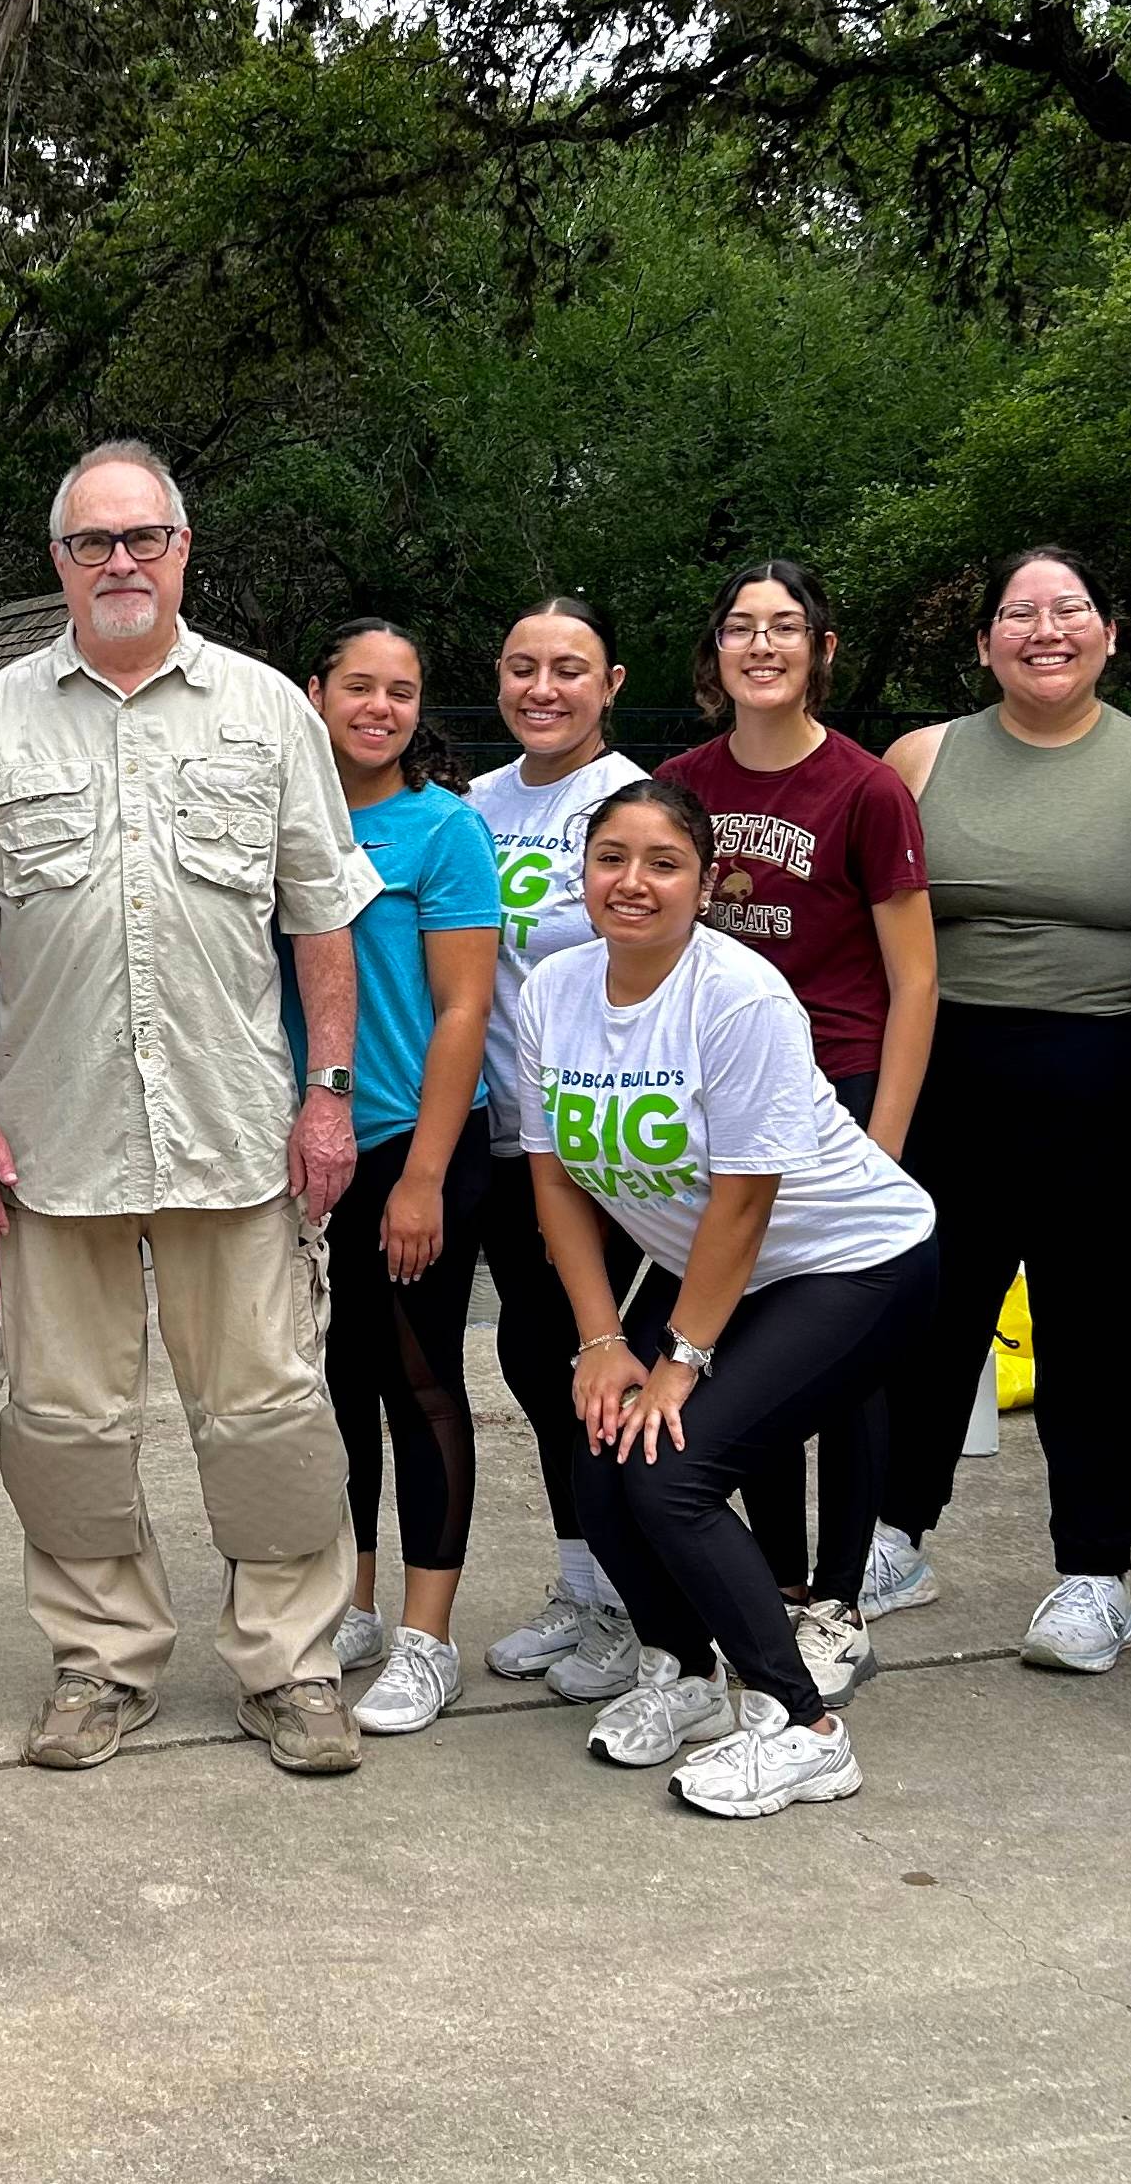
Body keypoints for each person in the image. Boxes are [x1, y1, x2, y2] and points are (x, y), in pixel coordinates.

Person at [0, 439, 382, 1777]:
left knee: (270, 1416)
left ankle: (290, 1668)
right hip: (52, 1138)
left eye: (141, 538)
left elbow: (321, 925)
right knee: (64, 1423)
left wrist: (329, 1098)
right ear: (57, 562)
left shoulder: (263, 712)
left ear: (183, 548)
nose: (118, 561)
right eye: (90, 542)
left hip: (236, 1132)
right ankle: (99, 1663)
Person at [525, 777, 940, 1818]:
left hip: (853, 1261)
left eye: (663, 863)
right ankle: (690, 1675)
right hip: (720, 1265)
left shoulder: (740, 994)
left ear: (705, 884)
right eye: (611, 857)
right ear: (582, 875)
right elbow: (555, 1177)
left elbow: (747, 1200)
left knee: (673, 1469)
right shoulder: (552, 991)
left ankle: (803, 1725)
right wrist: (599, 1341)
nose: (633, 881)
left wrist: (681, 1360)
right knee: (603, 1454)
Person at [873, 548, 1131, 1674]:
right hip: (949, 1075)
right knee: (926, 1320)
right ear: (984, 642)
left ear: (1109, 635)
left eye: (1070, 608)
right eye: (1019, 613)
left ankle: (1095, 1574)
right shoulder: (921, 758)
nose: (1046, 628)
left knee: (1096, 1337)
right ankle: (894, 1535)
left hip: (1110, 1083)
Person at [655, 559, 934, 1708]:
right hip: (724, 1094)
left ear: (823, 647)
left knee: (842, 1356)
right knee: (750, 1341)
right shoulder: (682, 780)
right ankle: (766, 1578)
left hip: (845, 1086)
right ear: (714, 654)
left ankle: (838, 1597)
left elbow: (916, 980)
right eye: (738, 628)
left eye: (784, 628)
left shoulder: (866, 789)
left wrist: (887, 1141)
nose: (759, 645)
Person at [300, 621, 501, 1737]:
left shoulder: (444, 829)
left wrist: (422, 1176)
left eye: (403, 691)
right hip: (302, 1154)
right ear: (313, 691)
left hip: (413, 1145)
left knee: (420, 1385)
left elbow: (463, 1010)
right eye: (359, 686)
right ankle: (357, 1602)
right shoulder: (283, 817)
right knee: (335, 1385)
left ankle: (430, 1636)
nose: (379, 706)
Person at [460, 597, 650, 1702]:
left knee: (603, 1364)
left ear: (611, 681)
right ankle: (584, 1585)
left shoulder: (627, 802)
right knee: (537, 1366)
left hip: (598, 1143)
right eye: (524, 665)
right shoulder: (473, 805)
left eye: (569, 668)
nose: (545, 687)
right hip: (496, 1133)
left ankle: (634, 1603)